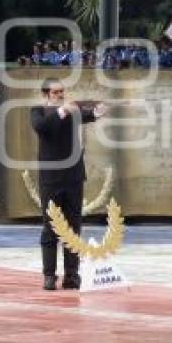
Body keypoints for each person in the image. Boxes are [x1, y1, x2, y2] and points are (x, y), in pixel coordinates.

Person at [31, 78, 106, 291]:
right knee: (50, 228)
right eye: (56, 92)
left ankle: (72, 275)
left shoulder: (71, 112)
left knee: (73, 228)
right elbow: (42, 128)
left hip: (73, 177)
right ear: (46, 94)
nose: (61, 95)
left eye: (62, 91)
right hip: (51, 179)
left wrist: (98, 112)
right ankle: (49, 275)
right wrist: (62, 110)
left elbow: (87, 115)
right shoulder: (38, 111)